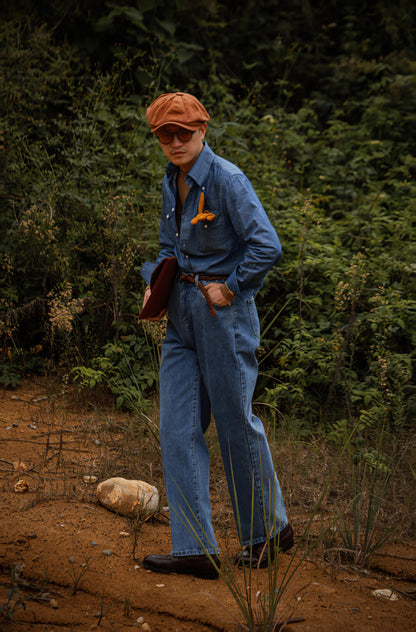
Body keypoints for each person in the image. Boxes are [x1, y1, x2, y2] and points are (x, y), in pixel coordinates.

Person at [140, 92, 293, 580]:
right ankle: (195, 549)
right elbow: (170, 244)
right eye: (167, 134)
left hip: (221, 314)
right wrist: (156, 280)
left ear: (203, 130)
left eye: (186, 132)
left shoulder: (227, 179)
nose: (177, 141)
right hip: (180, 316)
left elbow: (267, 243)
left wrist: (230, 288)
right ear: (158, 137)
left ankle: (267, 531)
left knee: (233, 422)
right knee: (177, 429)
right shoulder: (172, 179)